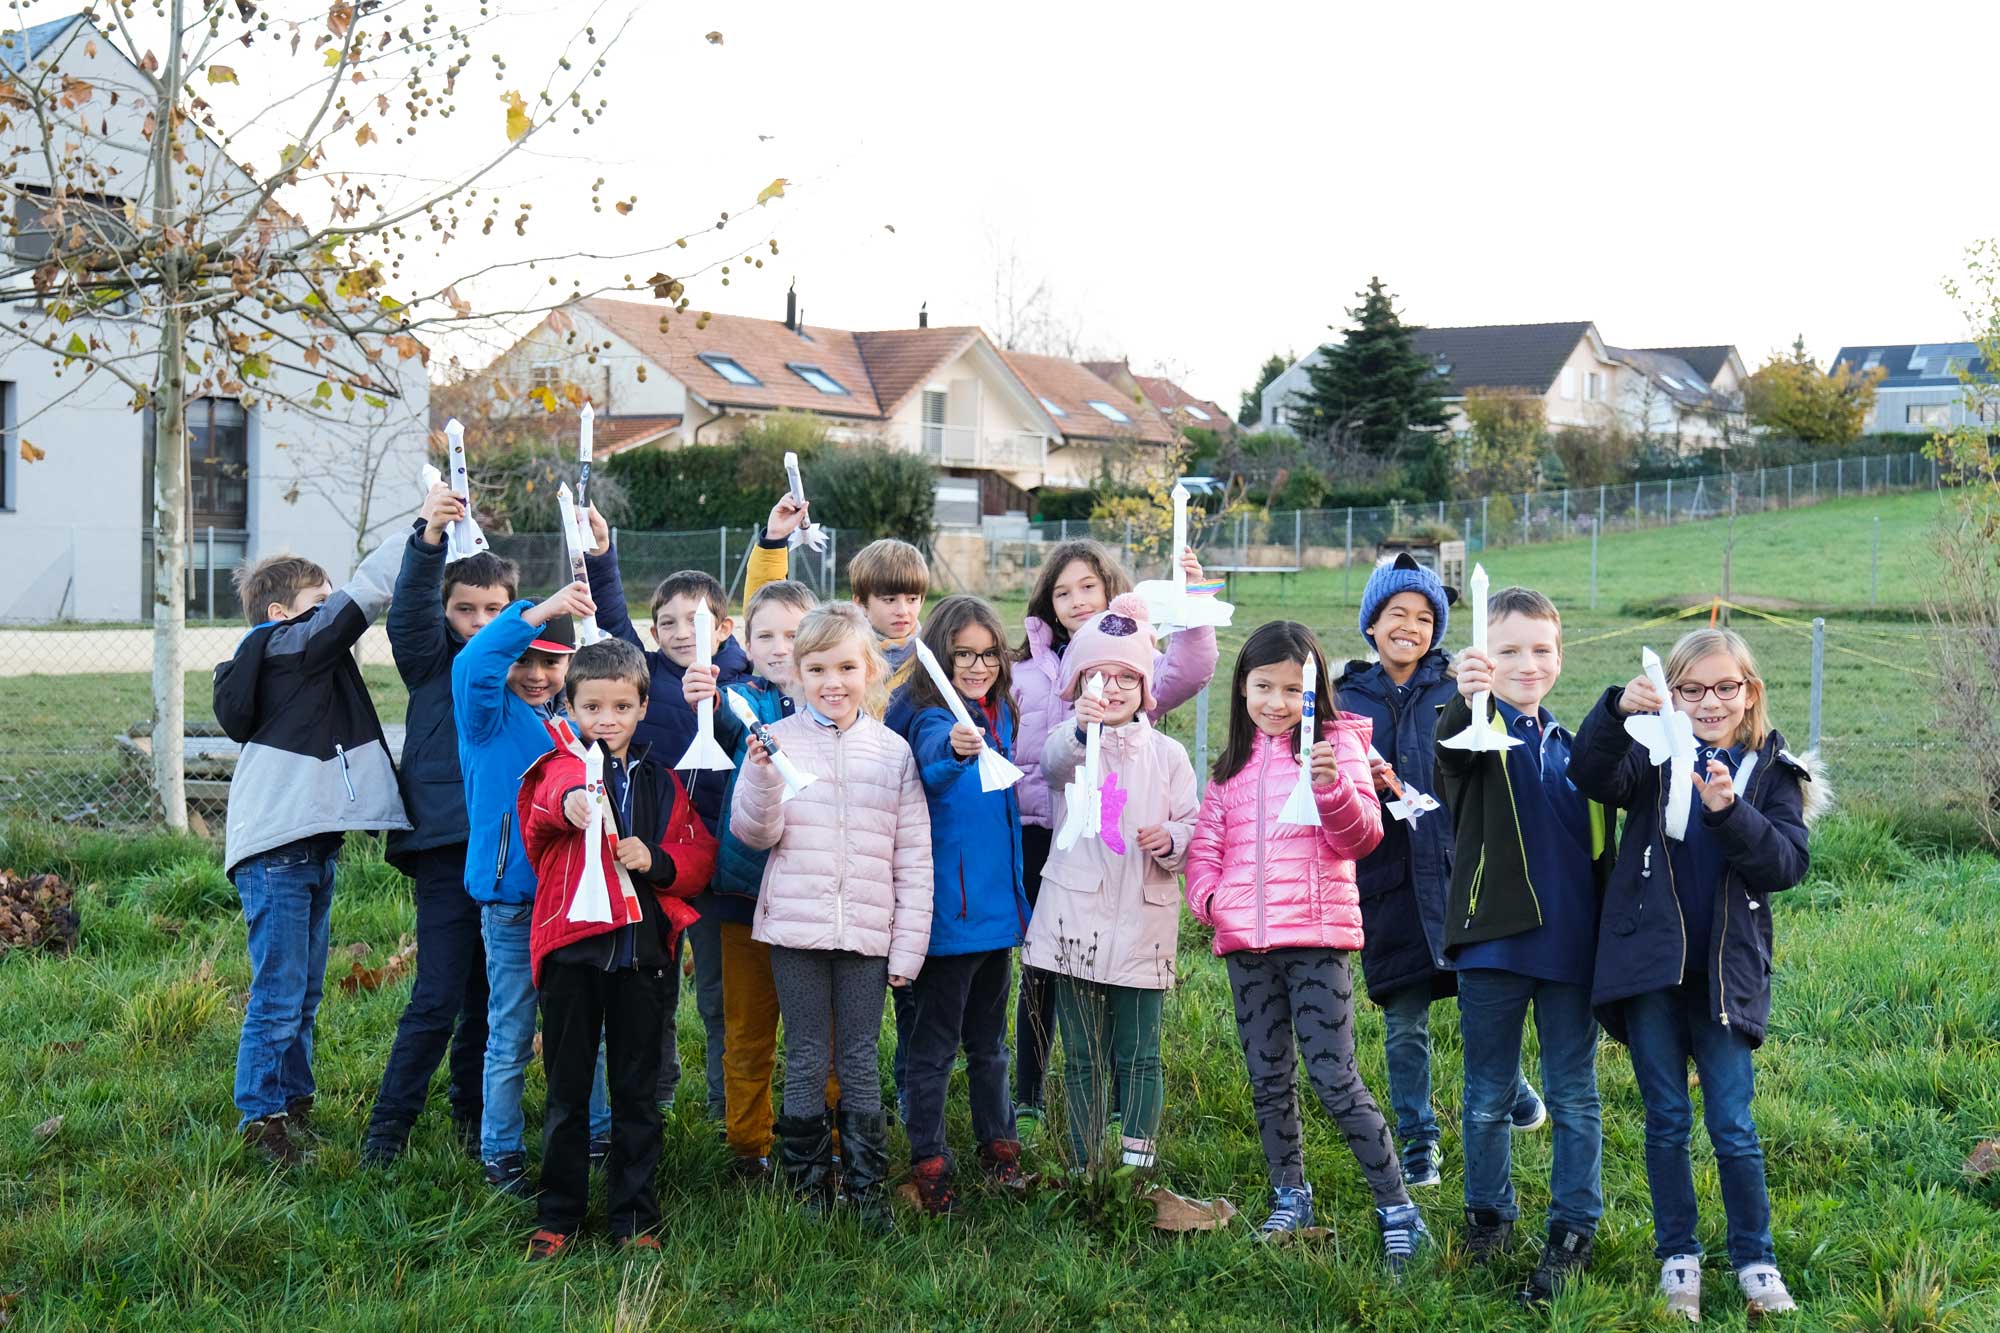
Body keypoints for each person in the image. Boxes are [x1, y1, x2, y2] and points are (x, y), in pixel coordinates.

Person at [1571, 628, 1822, 1322]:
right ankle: (1678, 1255)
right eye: (1691, 689)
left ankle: (1755, 1259)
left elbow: (1786, 865)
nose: (1710, 702)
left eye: (1725, 687)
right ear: (1671, 694)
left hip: (1725, 977)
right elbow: (1591, 773)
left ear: (1750, 692)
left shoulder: (1772, 773)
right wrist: (1615, 709)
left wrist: (1730, 812)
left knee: (1733, 1123)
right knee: (1666, 1118)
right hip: (1651, 970)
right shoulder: (1650, 756)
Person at [1186, 620, 1427, 1270]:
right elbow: (1206, 846)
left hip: (1316, 939)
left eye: (1294, 690)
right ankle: (1290, 1194)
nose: (1277, 702)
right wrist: (1210, 900)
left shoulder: (1337, 747)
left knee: (1333, 1076)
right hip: (1246, 946)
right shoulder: (1230, 768)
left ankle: (1397, 1207)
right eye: (1264, 686)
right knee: (1269, 1077)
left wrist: (1330, 787)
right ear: (1242, 688)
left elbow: (1362, 838)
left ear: (1315, 692)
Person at [1336, 554, 1544, 1192]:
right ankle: (1418, 1136)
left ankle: (1511, 1088)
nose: (1410, 627)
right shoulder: (1346, 698)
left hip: (1456, 870)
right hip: (1385, 879)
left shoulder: (1459, 688)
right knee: (1405, 1018)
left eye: (1424, 618)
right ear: (1371, 624)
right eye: (1396, 613)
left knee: (1480, 998)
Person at [1434, 585, 1616, 1305]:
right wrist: (1464, 698)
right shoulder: (1478, 736)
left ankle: (1573, 1227)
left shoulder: (1574, 749)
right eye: (1507, 650)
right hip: (1494, 945)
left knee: (1575, 1094)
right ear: (1483, 658)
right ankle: (1489, 1216)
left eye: (1541, 649)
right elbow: (1448, 750)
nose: (1526, 663)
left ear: (1560, 657)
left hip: (1572, 950)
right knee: (1486, 1093)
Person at [730, 604, 933, 1230]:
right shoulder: (776, 743)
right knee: (807, 1055)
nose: (832, 682)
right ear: (797, 673)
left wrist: (907, 949)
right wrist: (762, 780)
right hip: (797, 931)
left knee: (860, 1059)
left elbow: (913, 855)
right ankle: (808, 1191)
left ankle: (867, 1191)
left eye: (846, 667)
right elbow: (754, 834)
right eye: (817, 669)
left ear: (869, 669)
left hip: (868, 935)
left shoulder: (893, 753)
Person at [1009, 539, 1218, 1139]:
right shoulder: (1032, 673)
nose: (1076, 599)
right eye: (1062, 591)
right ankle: (1038, 1106)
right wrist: (1077, 733)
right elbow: (1046, 758)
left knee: (1127, 1012)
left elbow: (1189, 667)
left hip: (1128, 867)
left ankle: (1130, 1128)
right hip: (1050, 851)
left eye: (1088, 587)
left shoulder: (1154, 715)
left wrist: (1193, 599)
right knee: (1049, 985)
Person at [516, 639, 716, 1260]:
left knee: (637, 1094)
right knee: (567, 1091)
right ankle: (559, 1214)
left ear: (642, 707)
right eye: (592, 707)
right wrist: (570, 803)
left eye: (622, 707)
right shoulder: (559, 767)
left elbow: (698, 854)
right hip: (572, 958)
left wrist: (656, 860)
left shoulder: (663, 782)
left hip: (642, 960)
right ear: (570, 707)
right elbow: (540, 811)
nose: (607, 720)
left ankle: (634, 1217)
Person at [586, 507, 787, 1120]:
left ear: (724, 628)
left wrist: (773, 540)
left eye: (695, 621)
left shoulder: (743, 682)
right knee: (656, 984)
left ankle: (725, 1104)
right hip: (655, 859)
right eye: (667, 623)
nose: (680, 633)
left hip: (721, 865)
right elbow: (611, 618)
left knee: (720, 995)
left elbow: (776, 615)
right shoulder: (643, 676)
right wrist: (601, 555)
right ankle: (660, 1090)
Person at [213, 538, 409, 1164]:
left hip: (311, 849)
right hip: (278, 854)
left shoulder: (301, 661)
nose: (329, 610)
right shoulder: (284, 648)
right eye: (317, 602)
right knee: (278, 994)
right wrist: (418, 533)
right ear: (282, 615)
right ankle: (260, 1119)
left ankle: (294, 1105)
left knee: (304, 993)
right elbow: (359, 601)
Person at [362, 485, 518, 1166]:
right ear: (445, 611)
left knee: (488, 995)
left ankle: (473, 1112)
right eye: (465, 609)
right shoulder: (431, 662)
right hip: (446, 846)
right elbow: (408, 612)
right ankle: (387, 1130)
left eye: (494, 610)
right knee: (438, 994)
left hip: (509, 852)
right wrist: (428, 536)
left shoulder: (522, 668)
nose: (479, 622)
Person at [883, 596, 1030, 1214]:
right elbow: (932, 762)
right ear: (940, 657)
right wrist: (956, 750)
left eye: (988, 654)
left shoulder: (1001, 714)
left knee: (991, 1045)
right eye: (963, 654)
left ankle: (1000, 1148)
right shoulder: (925, 716)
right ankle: (930, 1159)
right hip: (945, 918)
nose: (977, 665)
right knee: (933, 1047)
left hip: (995, 915)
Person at [453, 576, 598, 1195]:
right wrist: (539, 612)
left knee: (584, 1028)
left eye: (552, 663)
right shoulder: (486, 714)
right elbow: (475, 661)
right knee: (511, 1032)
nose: (537, 675)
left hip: (572, 898)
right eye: (526, 661)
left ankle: (597, 1136)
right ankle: (501, 1152)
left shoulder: (571, 723)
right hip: (512, 901)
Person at [845, 536, 930, 1117]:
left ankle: (911, 1091)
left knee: (912, 977)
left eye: (913, 598)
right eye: (889, 599)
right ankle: (850, 1093)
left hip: (915, 831)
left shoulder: (932, 661)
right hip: (856, 836)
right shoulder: (847, 658)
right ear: (862, 601)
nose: (903, 610)